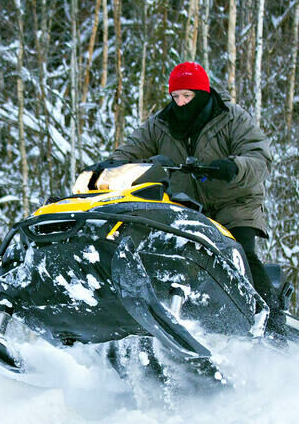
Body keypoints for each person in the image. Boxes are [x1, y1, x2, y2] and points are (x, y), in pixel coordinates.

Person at [111, 61, 282, 323]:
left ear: (201, 94)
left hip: (235, 203)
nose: (180, 103)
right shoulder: (161, 123)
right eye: (175, 96)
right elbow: (129, 151)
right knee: (162, 253)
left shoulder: (231, 117)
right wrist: (117, 166)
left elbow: (260, 157)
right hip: (186, 207)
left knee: (242, 257)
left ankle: (273, 322)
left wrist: (234, 166)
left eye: (187, 96)